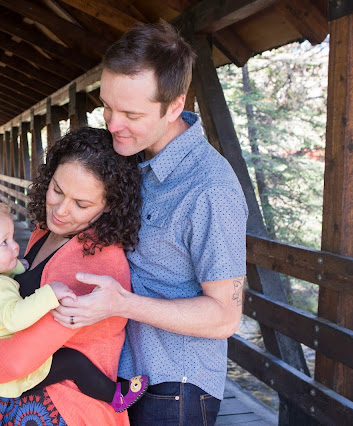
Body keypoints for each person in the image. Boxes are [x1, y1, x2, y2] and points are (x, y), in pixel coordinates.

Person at [50, 21, 248, 425]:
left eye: (131, 113)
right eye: (107, 106)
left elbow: (225, 317)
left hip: (174, 386)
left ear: (175, 106)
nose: (112, 123)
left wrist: (121, 303)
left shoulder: (210, 189)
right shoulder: (130, 153)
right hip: (112, 371)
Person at [0, 127, 144, 425]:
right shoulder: (45, 231)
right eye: (57, 190)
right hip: (10, 404)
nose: (61, 211)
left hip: (60, 411)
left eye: (81, 204)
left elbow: (18, 360)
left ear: (110, 207)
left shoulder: (94, 261)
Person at [0, 199, 148, 413]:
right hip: (11, 368)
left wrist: (18, 266)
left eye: (11, 238)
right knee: (73, 362)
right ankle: (115, 396)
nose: (15, 245)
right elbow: (14, 317)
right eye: (4, 243)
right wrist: (49, 294)